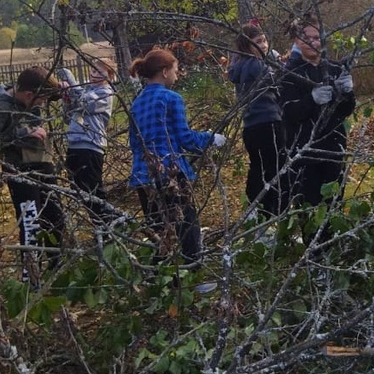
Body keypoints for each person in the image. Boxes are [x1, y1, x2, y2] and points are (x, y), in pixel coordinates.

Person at [128, 48, 226, 268]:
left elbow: (134, 143)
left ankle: (162, 275)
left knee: (161, 230)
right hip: (169, 171)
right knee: (187, 223)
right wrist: (211, 139)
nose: (177, 74)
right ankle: (192, 270)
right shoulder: (171, 98)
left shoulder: (137, 103)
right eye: (175, 70)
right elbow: (185, 138)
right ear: (164, 71)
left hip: (143, 175)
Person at [0, 66, 65, 285]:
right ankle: (31, 278)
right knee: (31, 223)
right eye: (40, 100)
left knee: (55, 217)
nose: (41, 105)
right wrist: (24, 134)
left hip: (42, 166)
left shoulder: (29, 101)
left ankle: (58, 268)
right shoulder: (0, 107)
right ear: (28, 95)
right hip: (20, 172)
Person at [279, 19, 356, 249]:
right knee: (309, 203)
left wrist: (347, 93)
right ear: (297, 41)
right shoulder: (289, 74)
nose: (313, 42)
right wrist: (310, 100)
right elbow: (287, 112)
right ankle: (314, 256)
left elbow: (346, 110)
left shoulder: (334, 69)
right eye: (307, 38)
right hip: (304, 150)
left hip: (333, 146)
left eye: (317, 37)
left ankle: (332, 249)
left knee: (334, 200)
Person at [228, 24, 288, 219]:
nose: (264, 45)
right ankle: (274, 210)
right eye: (258, 42)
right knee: (277, 167)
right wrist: (280, 64)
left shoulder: (239, 65)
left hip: (251, 125)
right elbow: (277, 80)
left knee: (258, 166)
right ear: (247, 45)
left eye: (264, 40)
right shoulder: (255, 64)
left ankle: (256, 206)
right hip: (268, 120)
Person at [58, 58, 118, 225]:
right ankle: (100, 224)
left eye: (100, 72)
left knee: (93, 190)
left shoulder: (105, 93)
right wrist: (66, 96)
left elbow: (85, 103)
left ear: (110, 76)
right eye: (92, 70)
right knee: (77, 187)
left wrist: (70, 80)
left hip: (91, 146)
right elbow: (68, 117)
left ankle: (109, 225)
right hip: (74, 144)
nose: (94, 74)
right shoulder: (85, 90)